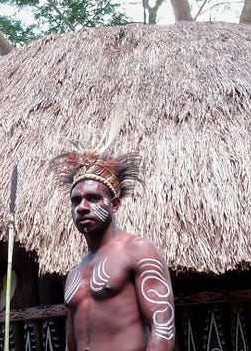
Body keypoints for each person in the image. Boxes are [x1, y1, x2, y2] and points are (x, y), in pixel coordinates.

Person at [58, 150, 175, 351]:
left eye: (93, 198)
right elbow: (72, 343)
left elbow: (162, 327)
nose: (82, 207)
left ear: (114, 204)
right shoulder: (74, 274)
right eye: (76, 201)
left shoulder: (137, 250)